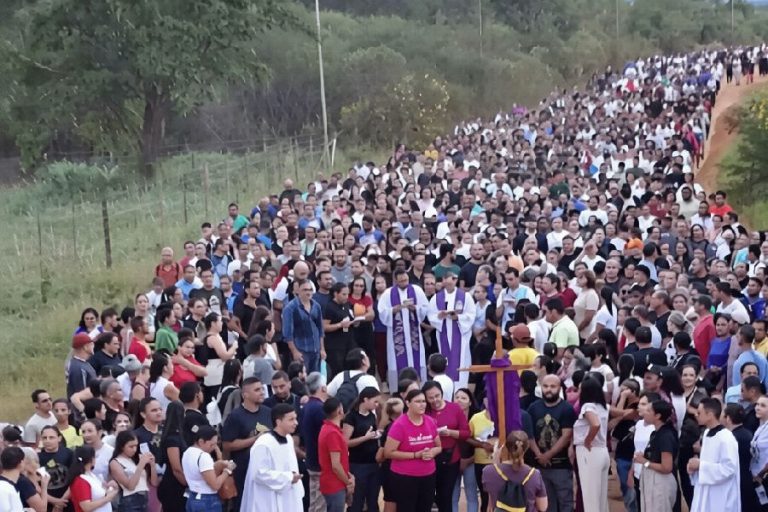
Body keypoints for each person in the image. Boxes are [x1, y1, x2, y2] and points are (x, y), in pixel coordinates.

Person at [383, 388, 442, 512]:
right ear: (408, 403)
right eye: (418, 401)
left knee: (425, 508)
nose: (422, 404)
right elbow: (388, 453)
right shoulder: (399, 425)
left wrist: (433, 452)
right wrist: (415, 455)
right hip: (405, 477)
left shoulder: (430, 421)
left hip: (428, 475)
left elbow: (439, 446)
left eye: (424, 401)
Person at [240, 403, 305, 512]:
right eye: (291, 419)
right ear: (278, 422)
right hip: (268, 499)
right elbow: (259, 473)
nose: (296, 423)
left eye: (296, 419)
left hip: (289, 497)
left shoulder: (289, 439)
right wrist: (288, 477)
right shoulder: (264, 444)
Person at [220, 376, 272, 507]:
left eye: (262, 388)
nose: (262, 392)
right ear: (245, 395)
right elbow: (226, 445)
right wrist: (255, 439)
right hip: (243, 473)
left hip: (266, 471)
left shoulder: (268, 412)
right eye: (257, 390)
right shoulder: (236, 416)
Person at [527, 374, 575, 512]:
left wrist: (547, 455)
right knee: (546, 504)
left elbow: (566, 436)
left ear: (559, 388)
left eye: (553, 386)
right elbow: (530, 435)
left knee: (565, 502)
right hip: (540, 465)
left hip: (561, 465)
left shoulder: (566, 409)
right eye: (546, 386)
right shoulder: (533, 408)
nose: (549, 390)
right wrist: (539, 455)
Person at [378, 269, 430, 390]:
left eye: (406, 280)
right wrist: (394, 309)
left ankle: (419, 388)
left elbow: (425, 308)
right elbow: (382, 312)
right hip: (396, 334)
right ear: (396, 280)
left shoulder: (417, 290)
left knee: (417, 359)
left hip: (413, 333)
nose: (404, 282)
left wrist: (415, 309)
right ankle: (398, 390)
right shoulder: (388, 293)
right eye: (401, 281)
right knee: (397, 362)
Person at [688, 397, 741, 512]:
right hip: (705, 490)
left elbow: (729, 468)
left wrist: (701, 466)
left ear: (710, 414)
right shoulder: (707, 433)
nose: (696, 415)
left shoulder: (726, 437)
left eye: (699, 413)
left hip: (721, 494)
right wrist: (695, 469)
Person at [424, 380, 469, 512]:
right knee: (428, 495)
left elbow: (466, 433)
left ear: (442, 393)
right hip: (429, 457)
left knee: (445, 495)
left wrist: (450, 432)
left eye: (437, 396)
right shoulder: (425, 411)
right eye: (430, 397)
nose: (435, 400)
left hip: (450, 458)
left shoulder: (454, 408)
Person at [427, 271, 476, 389]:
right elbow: (431, 315)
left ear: (456, 281)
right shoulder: (436, 298)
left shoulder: (465, 296)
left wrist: (458, 317)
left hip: (460, 333)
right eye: (448, 281)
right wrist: (440, 316)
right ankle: (446, 389)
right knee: (445, 358)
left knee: (461, 360)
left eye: (453, 280)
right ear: (443, 281)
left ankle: (460, 390)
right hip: (443, 331)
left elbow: (471, 315)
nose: (450, 283)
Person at [481, 430, 548, 512]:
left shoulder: (488, 471)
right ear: (526, 448)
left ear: (506, 447)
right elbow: (543, 507)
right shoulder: (534, 474)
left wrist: (495, 462)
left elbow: (490, 497)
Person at [633, 399, 679, 512]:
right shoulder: (656, 433)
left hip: (661, 483)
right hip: (653, 480)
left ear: (657, 415)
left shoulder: (665, 436)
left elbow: (667, 467)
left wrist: (645, 462)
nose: (644, 413)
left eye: (648, 410)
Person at [573, 375, 609, 512]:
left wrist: (588, 440)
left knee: (590, 497)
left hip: (589, 451)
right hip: (602, 451)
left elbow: (595, 424)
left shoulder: (588, 406)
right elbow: (622, 414)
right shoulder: (603, 407)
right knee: (601, 497)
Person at [342, 387, 381, 512]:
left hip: (373, 463)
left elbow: (372, 434)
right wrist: (365, 438)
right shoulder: (351, 417)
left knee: (373, 499)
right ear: (365, 400)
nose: (377, 404)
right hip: (358, 464)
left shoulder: (371, 416)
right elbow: (345, 442)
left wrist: (376, 434)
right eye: (375, 401)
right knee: (357, 500)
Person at [181, 425, 235, 512]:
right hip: (207, 500)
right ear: (201, 441)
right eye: (212, 444)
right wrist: (227, 470)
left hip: (192, 496)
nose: (214, 447)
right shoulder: (204, 456)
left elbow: (200, 472)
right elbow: (215, 485)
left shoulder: (187, 452)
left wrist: (218, 464)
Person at [282, 279, 326, 373]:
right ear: (298, 291)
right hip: (301, 350)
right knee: (302, 379)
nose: (308, 292)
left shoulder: (316, 306)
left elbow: (320, 329)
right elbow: (287, 334)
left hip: (316, 349)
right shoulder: (290, 308)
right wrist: (294, 351)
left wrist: (322, 349)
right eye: (305, 290)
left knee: (316, 380)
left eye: (310, 290)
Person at [299, 372, 328, 512]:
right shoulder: (320, 409)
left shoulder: (306, 407)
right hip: (320, 462)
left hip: (311, 459)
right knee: (320, 505)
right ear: (323, 388)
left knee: (315, 502)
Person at [318, 397, 354, 512]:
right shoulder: (332, 433)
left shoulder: (328, 429)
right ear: (339, 410)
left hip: (335, 482)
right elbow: (336, 465)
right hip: (335, 485)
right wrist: (348, 482)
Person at [109, 430, 159, 512]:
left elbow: (154, 482)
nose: (134, 449)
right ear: (122, 446)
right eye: (131, 447)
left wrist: (152, 465)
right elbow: (130, 486)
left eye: (136, 446)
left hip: (144, 500)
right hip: (130, 502)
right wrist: (141, 465)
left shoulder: (136, 459)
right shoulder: (115, 462)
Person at [722, 403, 758, 511]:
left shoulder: (731, 438)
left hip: (737, 483)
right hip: (748, 479)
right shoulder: (748, 433)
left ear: (728, 418)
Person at [322, 282, 359, 379]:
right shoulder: (329, 307)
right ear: (335, 294)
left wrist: (354, 322)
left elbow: (349, 317)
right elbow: (324, 327)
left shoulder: (347, 304)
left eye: (348, 294)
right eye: (343, 294)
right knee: (338, 371)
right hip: (335, 346)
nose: (346, 297)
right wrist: (339, 325)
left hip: (348, 342)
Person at [67, 445, 119, 512]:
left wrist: (111, 489)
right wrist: (107, 498)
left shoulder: (91, 475)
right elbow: (86, 507)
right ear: (92, 459)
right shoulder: (80, 481)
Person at [157, 401, 188, 510]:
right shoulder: (172, 439)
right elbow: (176, 468)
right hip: (173, 485)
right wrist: (187, 483)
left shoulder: (176, 436)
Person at [38, 425, 73, 511]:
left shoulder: (68, 453)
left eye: (51, 437)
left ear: (59, 438)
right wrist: (54, 501)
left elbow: (75, 479)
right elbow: (35, 485)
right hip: (46, 502)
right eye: (44, 438)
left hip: (67, 501)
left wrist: (61, 502)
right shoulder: (37, 457)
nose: (48, 441)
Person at [67, 333, 97, 398]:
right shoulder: (78, 368)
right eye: (91, 344)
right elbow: (81, 394)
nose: (94, 346)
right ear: (85, 347)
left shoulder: (84, 364)